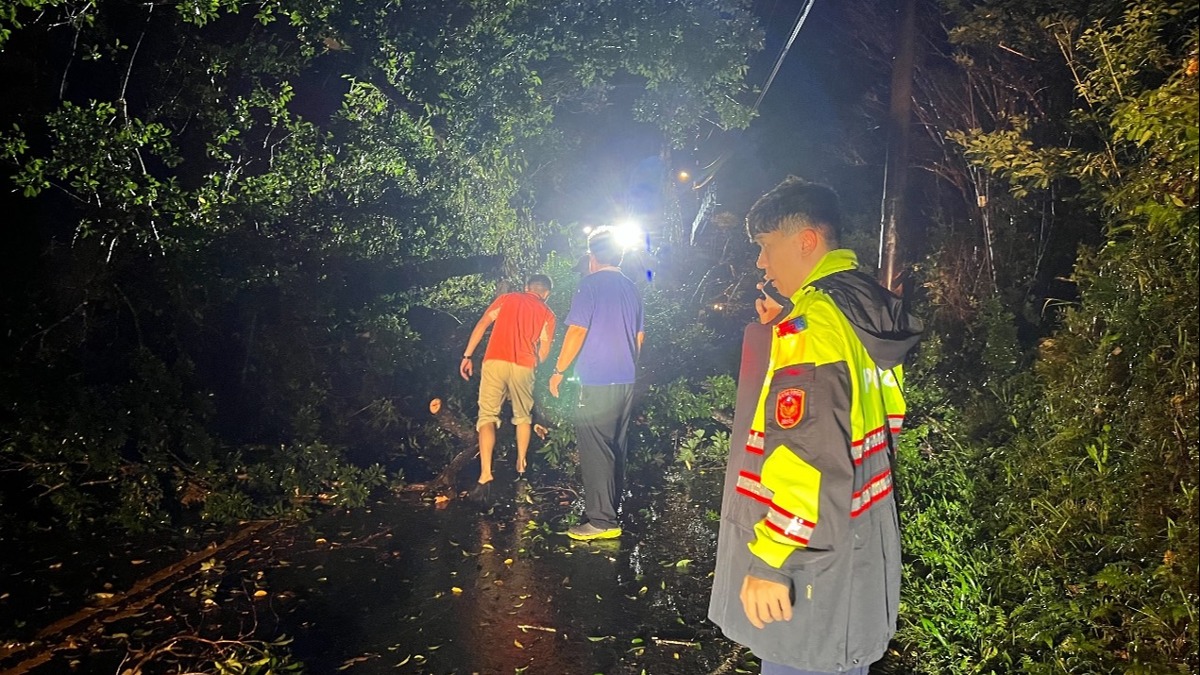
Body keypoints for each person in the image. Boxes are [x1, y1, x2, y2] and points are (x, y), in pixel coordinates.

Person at [708, 177, 923, 675]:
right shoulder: (859, 305)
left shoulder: (812, 327)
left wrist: (770, 560)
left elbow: (808, 451)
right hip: (857, 539)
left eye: (766, 246)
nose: (761, 262)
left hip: (810, 563)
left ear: (806, 241)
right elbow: (886, 414)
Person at [549, 227, 645, 541]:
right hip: (626, 378)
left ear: (592, 257)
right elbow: (639, 337)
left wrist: (559, 370)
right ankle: (609, 510)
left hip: (596, 379)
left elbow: (576, 331)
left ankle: (602, 521)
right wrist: (628, 364)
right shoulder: (632, 288)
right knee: (616, 445)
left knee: (595, 448)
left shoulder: (589, 285)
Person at [460, 274, 557, 502]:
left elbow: (483, 323)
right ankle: (521, 466)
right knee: (523, 416)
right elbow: (543, 352)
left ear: (526, 287)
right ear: (547, 294)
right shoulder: (547, 314)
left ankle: (485, 476)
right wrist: (534, 361)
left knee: (487, 417)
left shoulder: (507, 299)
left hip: (494, 361)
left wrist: (467, 355)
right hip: (524, 366)